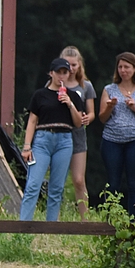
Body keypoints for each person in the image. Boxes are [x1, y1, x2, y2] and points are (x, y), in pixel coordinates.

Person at [19, 58, 85, 221]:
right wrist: (27, 146)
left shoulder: (73, 96)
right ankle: (23, 227)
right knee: (33, 184)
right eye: (58, 72)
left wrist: (69, 104)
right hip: (42, 139)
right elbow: (32, 121)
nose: (61, 76)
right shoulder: (40, 95)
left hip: (64, 141)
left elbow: (78, 123)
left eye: (65, 72)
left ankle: (51, 227)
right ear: (51, 73)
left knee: (56, 188)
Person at [98, 51, 135, 219]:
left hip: (134, 140)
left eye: (126, 67)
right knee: (113, 182)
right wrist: (110, 107)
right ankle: (110, 219)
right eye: (120, 67)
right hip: (111, 140)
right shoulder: (109, 89)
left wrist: (134, 108)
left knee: (133, 182)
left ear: (134, 69)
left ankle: (134, 220)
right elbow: (102, 118)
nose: (123, 70)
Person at [60, 46, 96, 220]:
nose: (71, 68)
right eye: (67, 64)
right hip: (59, 132)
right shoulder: (55, 83)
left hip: (78, 135)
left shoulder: (86, 86)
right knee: (57, 180)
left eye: (74, 64)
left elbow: (91, 112)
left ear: (80, 65)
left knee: (79, 180)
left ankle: (85, 219)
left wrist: (87, 118)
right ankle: (54, 218)